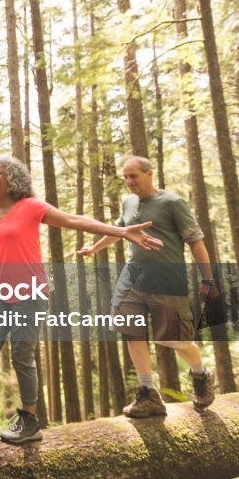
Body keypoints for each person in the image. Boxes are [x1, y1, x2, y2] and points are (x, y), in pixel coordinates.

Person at [0, 154, 163, 444]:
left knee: (21, 353)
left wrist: (120, 231)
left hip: (30, 293)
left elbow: (73, 220)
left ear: (13, 179)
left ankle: (29, 421)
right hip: (0, 293)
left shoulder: (31, 207)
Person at [78, 156, 218, 417]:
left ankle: (201, 375)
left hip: (167, 281)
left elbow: (196, 242)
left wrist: (207, 279)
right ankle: (148, 393)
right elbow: (120, 231)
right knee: (131, 330)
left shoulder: (173, 203)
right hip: (132, 278)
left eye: (134, 176)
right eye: (126, 177)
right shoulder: (128, 202)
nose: (129, 182)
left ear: (149, 174)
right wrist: (94, 248)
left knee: (175, 340)